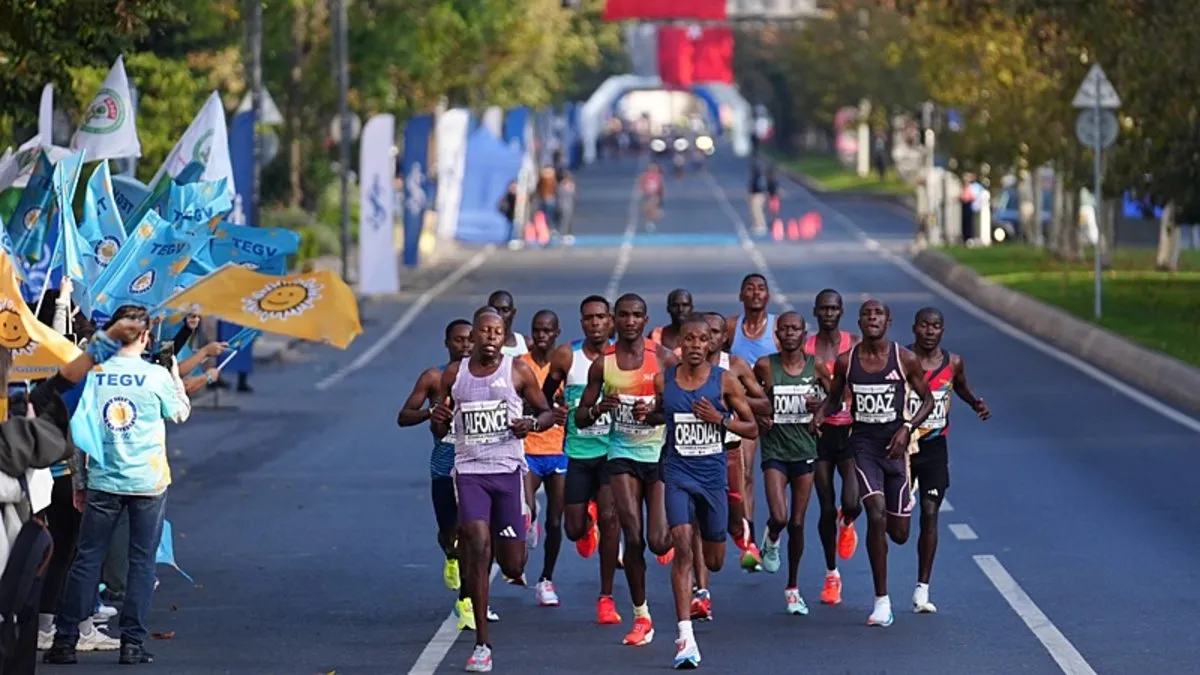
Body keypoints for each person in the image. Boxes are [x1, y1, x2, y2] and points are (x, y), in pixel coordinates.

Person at [44, 306, 192, 666]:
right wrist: (172, 371)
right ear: (145, 338)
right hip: (148, 481)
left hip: (103, 479)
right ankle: (133, 644)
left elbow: (80, 434)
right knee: (141, 563)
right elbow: (180, 412)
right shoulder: (155, 376)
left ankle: (64, 641)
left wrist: (79, 480)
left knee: (87, 558)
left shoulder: (96, 374)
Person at [430, 307, 554, 672]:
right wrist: (438, 421)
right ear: (475, 336)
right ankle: (482, 644)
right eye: (483, 331)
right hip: (470, 473)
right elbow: (440, 427)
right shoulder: (455, 374)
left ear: (504, 336)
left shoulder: (517, 371)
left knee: (513, 564)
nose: (490, 337)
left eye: (496, 332)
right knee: (477, 547)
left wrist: (529, 423)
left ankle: (526, 520)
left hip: (507, 473)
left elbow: (546, 413)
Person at [643, 314, 758, 668]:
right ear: (682, 345)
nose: (694, 346)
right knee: (681, 547)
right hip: (677, 472)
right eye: (688, 340)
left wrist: (720, 420)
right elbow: (661, 415)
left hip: (712, 478)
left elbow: (752, 428)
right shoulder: (666, 381)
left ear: (711, 345)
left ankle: (709, 570)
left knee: (714, 560)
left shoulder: (725, 382)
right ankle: (684, 636)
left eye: (701, 340)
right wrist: (646, 414)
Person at [814, 299, 934, 628]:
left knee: (899, 534)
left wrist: (907, 428)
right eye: (866, 314)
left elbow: (928, 399)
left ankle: (906, 494)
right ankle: (882, 601)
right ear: (861, 321)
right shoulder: (846, 361)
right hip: (863, 447)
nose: (872, 319)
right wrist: (821, 413)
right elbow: (836, 397)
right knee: (875, 514)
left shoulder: (903, 358)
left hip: (895, 449)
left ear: (888, 320)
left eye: (878, 314)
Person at [575, 293, 677, 647]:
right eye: (624, 315)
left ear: (646, 320)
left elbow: (680, 411)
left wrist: (654, 413)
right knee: (633, 539)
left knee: (658, 540)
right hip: (621, 455)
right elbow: (580, 416)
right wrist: (601, 407)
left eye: (636, 315)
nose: (630, 321)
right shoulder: (602, 365)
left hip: (658, 457)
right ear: (615, 320)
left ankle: (674, 538)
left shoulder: (663, 360)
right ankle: (641, 616)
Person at [541, 295, 622, 625]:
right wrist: (555, 411)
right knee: (573, 529)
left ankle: (606, 597)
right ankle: (586, 522)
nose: (596, 323)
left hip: (613, 452)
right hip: (577, 452)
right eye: (589, 318)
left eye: (601, 317)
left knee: (611, 517)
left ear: (611, 321)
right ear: (582, 322)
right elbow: (543, 396)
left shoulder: (624, 357)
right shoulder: (566, 355)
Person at [906, 307, 990, 614]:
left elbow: (962, 387)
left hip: (934, 447)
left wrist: (976, 404)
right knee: (897, 526)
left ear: (943, 331)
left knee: (930, 512)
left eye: (936, 326)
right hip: (902, 446)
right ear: (915, 328)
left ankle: (922, 589)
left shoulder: (952, 362)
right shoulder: (902, 360)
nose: (930, 331)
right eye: (925, 325)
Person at [688, 312, 770, 621]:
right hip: (693, 455)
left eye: (716, 332)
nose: (708, 337)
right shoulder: (681, 369)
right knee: (694, 522)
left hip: (728, 454)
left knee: (730, 524)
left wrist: (734, 402)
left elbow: (763, 403)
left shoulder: (733, 366)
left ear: (724, 337)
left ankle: (743, 534)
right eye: (703, 332)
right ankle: (701, 593)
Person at [395, 319, 474, 620]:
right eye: (458, 340)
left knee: (474, 534)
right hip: (443, 465)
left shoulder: (485, 378)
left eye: (469, 339)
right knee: (449, 534)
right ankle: (451, 555)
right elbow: (403, 416)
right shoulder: (433, 377)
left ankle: (467, 600)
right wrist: (431, 411)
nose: (465, 346)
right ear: (447, 343)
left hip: (476, 466)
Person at [753, 311, 822, 615]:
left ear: (805, 334)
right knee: (780, 517)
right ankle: (771, 537)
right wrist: (759, 416)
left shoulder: (816, 366)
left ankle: (793, 588)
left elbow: (837, 397)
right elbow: (745, 397)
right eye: (785, 329)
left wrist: (819, 411)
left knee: (797, 522)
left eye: (796, 329)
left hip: (805, 450)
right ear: (777, 335)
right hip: (775, 451)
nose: (791, 333)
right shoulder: (766, 366)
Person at [805, 289, 861, 605]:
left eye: (834, 308)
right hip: (819, 435)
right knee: (825, 507)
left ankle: (848, 520)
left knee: (853, 501)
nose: (828, 313)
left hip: (851, 433)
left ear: (841, 312)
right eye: (824, 308)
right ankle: (831, 575)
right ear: (816, 312)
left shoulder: (854, 344)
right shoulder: (807, 348)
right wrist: (811, 403)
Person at [723, 274, 779, 562]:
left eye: (761, 289)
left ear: (768, 296)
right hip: (743, 408)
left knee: (785, 479)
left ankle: (776, 530)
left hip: (776, 410)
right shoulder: (732, 328)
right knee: (745, 474)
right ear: (741, 295)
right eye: (749, 288)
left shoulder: (778, 327)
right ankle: (749, 540)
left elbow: (793, 367)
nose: (756, 293)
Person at [519, 310, 569, 607]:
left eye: (547, 330)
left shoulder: (561, 366)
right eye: (537, 330)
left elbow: (575, 400)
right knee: (526, 515)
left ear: (556, 332)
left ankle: (546, 580)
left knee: (555, 521)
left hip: (559, 449)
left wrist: (565, 409)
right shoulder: (520, 366)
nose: (541, 335)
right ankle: (528, 517)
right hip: (528, 448)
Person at [487, 290, 529, 357]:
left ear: (513, 313)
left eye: (505, 310)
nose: (500, 315)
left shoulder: (526, 343)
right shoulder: (481, 344)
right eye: (495, 310)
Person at [638, 163, 665, 232]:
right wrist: (641, 190)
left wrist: (661, 194)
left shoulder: (658, 176)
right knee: (646, 209)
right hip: (647, 194)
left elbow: (661, 185)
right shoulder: (645, 175)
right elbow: (641, 183)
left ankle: (652, 220)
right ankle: (650, 220)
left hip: (655, 194)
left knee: (651, 206)